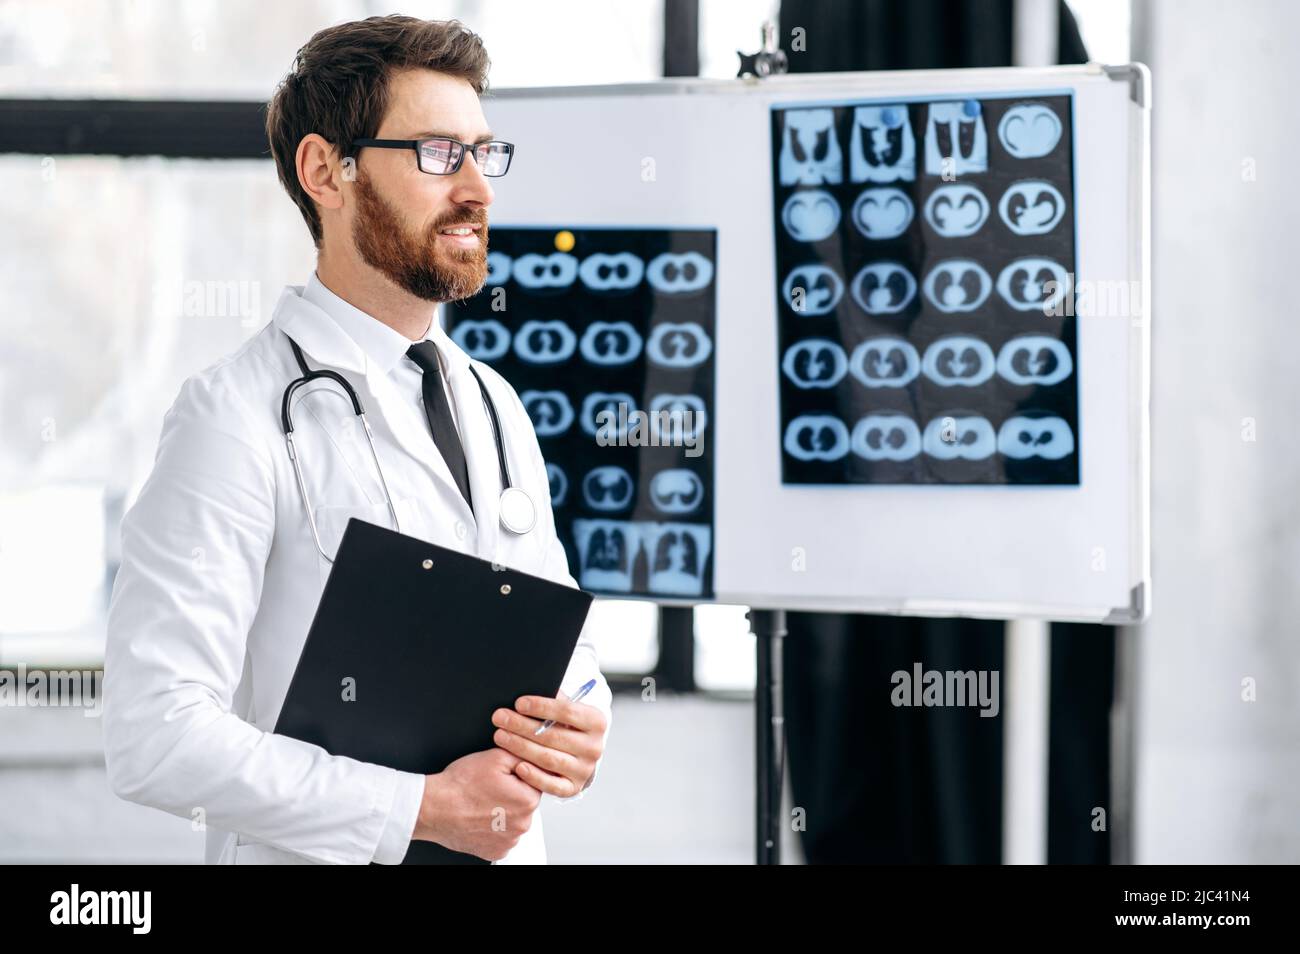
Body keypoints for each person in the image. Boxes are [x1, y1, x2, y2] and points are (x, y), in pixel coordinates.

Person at [102, 15, 611, 865]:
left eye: (485, 154)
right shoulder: (230, 417)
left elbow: (564, 637)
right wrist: (416, 807)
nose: (479, 189)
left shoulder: (494, 404)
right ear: (323, 172)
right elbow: (153, 733)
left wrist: (580, 717)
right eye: (439, 154)